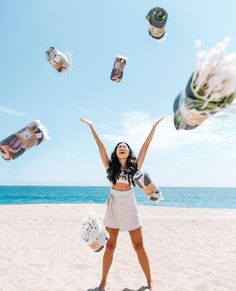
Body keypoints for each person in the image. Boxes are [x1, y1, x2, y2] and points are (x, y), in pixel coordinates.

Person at [80, 117, 163, 291]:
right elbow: (100, 147)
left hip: (130, 207)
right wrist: (92, 127)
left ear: (129, 152)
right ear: (116, 153)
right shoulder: (110, 167)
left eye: (125, 146)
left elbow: (145, 147)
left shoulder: (135, 167)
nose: (122, 147)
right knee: (110, 246)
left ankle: (150, 283)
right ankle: (102, 284)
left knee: (139, 246)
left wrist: (154, 127)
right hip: (114, 207)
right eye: (119, 147)